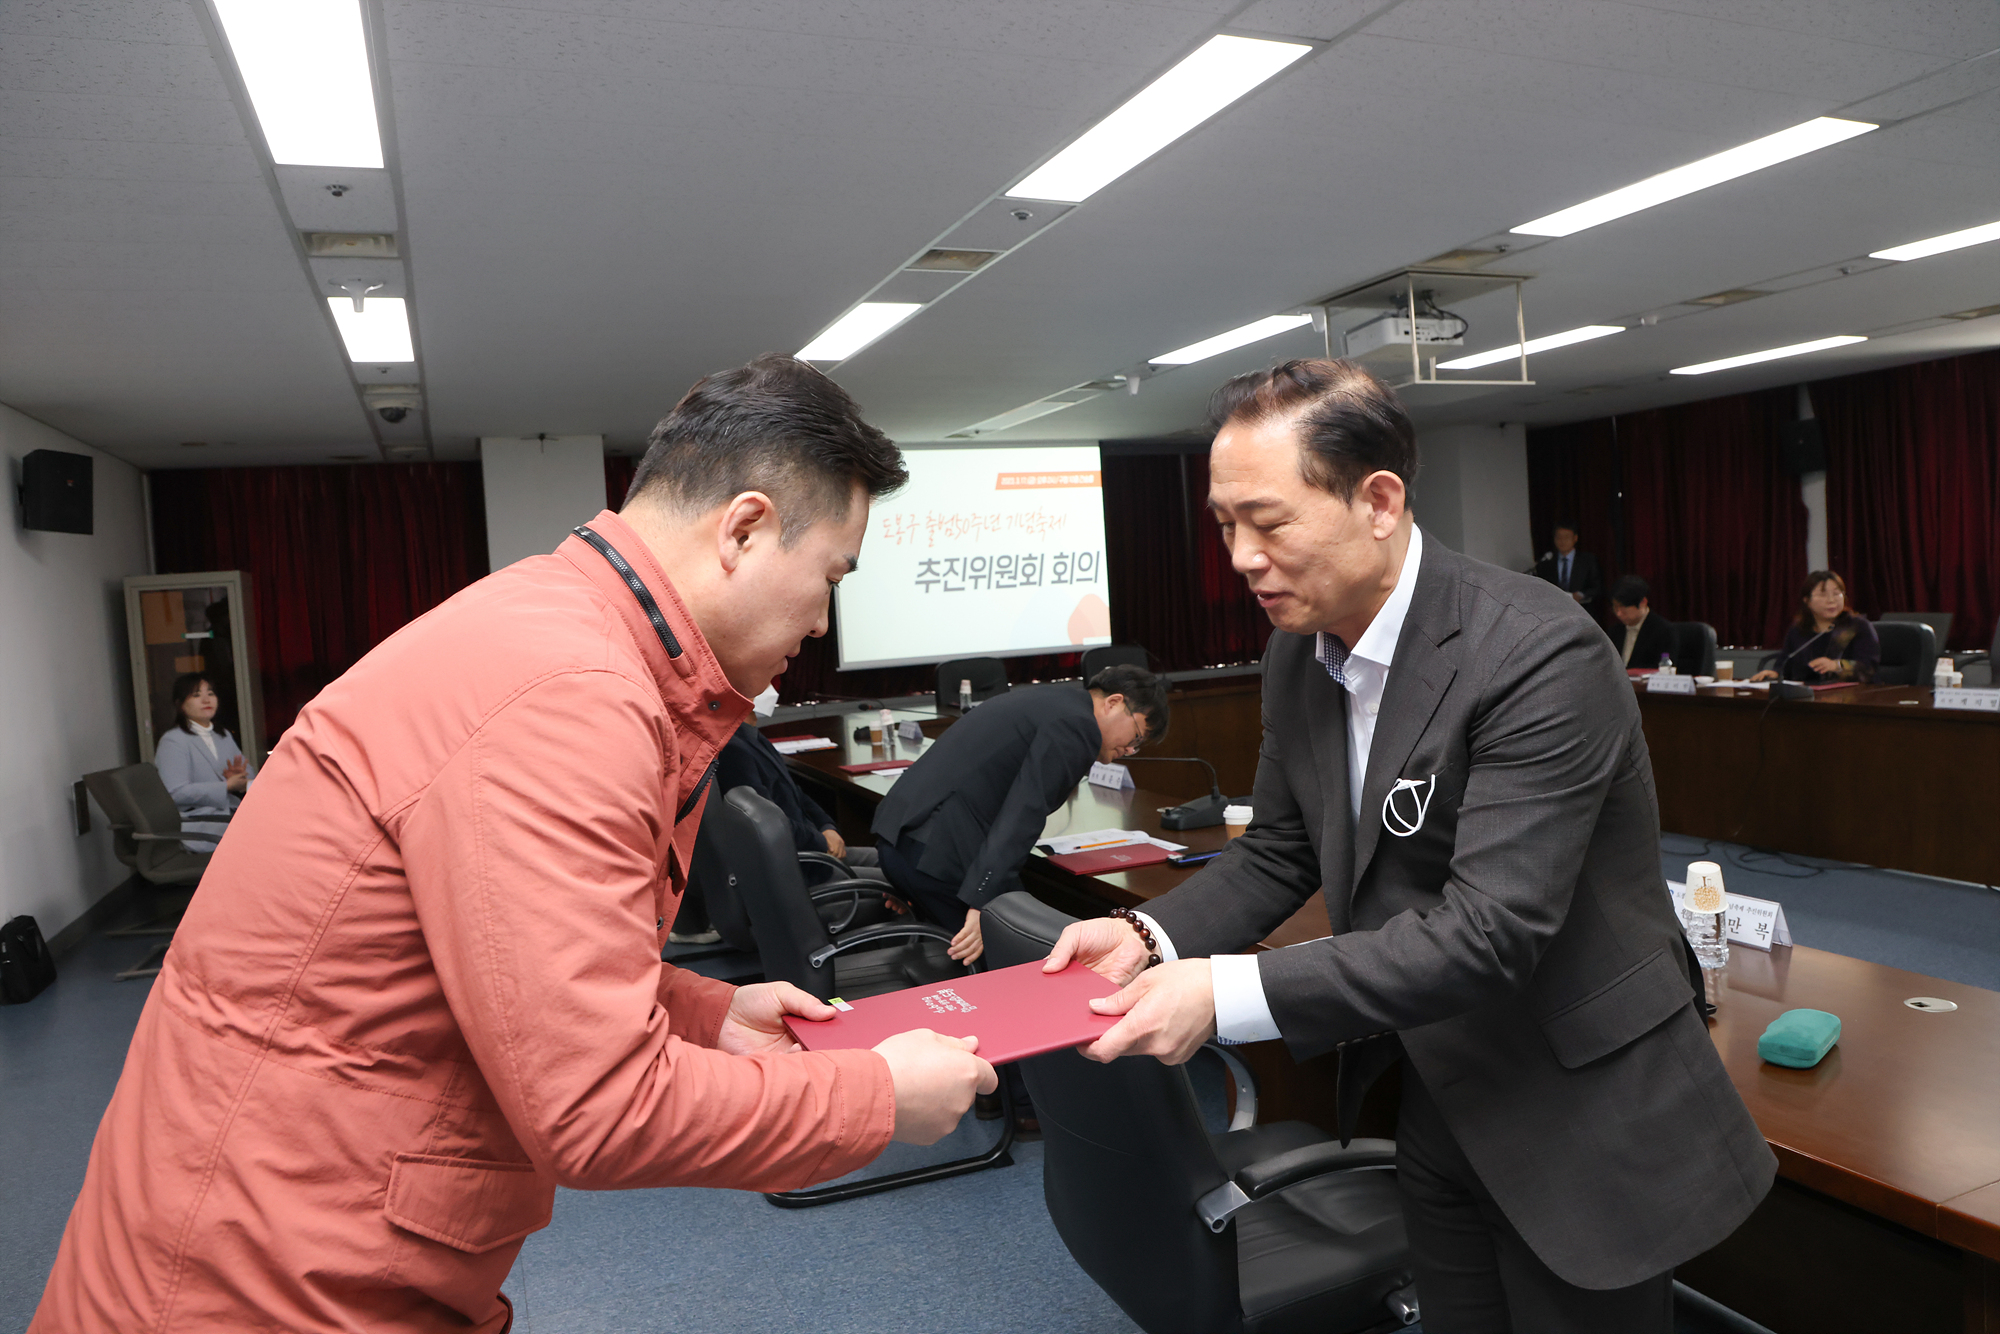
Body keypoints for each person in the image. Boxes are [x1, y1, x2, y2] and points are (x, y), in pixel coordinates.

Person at [34, 356, 996, 1332]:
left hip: (305, 1236)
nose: (821, 619)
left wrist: (708, 1015)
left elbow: (500, 954)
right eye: (828, 575)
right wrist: (874, 1095)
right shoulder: (566, 695)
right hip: (263, 1282)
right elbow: (601, 1109)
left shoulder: (558, 634)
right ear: (744, 528)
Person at [1043, 359, 1773, 1334]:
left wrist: (1219, 995)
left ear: (1377, 500)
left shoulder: (1534, 650)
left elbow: (1490, 928)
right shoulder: (1294, 653)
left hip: (1578, 1102)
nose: (1240, 556)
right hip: (1437, 1084)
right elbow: (1275, 852)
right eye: (1223, 524)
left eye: (1267, 520)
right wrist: (1145, 937)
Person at [871, 663, 1168, 966]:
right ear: (1114, 703)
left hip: (903, 840)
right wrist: (983, 903)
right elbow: (1025, 810)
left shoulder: (1053, 701)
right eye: (1137, 736)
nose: (1132, 750)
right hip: (937, 855)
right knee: (1030, 960)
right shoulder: (1079, 725)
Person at [152, 671, 256, 851]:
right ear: (180, 704)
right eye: (197, 695)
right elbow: (174, 792)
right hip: (198, 821)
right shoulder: (174, 740)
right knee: (259, 837)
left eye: (211, 693)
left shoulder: (222, 735)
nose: (207, 700)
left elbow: (250, 775)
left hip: (228, 814)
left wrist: (240, 779)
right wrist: (225, 787)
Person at [1748, 570, 1879, 684]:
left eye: (1837, 593)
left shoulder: (1857, 626)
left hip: (1852, 698)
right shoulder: (1798, 630)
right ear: (1807, 601)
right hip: (1806, 697)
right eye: (1822, 595)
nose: (1831, 600)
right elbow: (1784, 664)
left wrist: (1836, 666)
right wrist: (1775, 674)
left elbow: (1868, 668)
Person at [1606, 575, 1675, 670]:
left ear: (1643, 602)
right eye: (1615, 607)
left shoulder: (1663, 631)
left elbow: (1663, 670)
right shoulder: (1615, 631)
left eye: (1623, 608)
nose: (1618, 613)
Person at [1533, 520, 1602, 611]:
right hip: (1554, 611)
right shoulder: (1546, 563)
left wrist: (1580, 595)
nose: (1562, 541)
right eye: (1559, 537)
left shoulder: (1588, 560)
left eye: (1566, 537)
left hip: (1583, 610)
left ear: (1575, 538)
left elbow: (1597, 587)